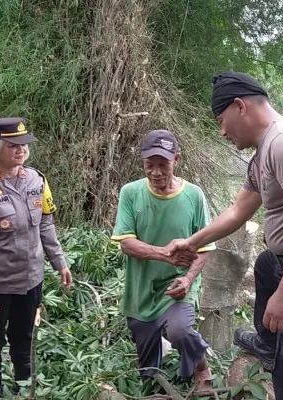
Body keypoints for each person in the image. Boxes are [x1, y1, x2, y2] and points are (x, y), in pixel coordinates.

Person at [167, 72, 283, 400]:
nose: (222, 131)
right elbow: (238, 211)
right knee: (266, 265)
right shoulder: (262, 156)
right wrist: (193, 241)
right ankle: (269, 343)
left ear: (240, 106)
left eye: (221, 120)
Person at [0, 117, 73, 397]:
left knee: (25, 337)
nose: (21, 150)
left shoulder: (36, 179)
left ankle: (25, 385)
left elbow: (45, 223)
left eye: (23, 144)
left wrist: (59, 261)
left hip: (31, 279)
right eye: (12, 145)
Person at [110, 129, 217, 394]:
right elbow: (126, 242)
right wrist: (166, 254)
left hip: (178, 285)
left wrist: (188, 278)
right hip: (141, 288)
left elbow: (204, 248)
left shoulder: (194, 195)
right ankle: (156, 388)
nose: (156, 172)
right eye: (150, 165)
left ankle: (201, 367)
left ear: (176, 160)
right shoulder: (131, 193)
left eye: (163, 165)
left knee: (180, 330)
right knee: (147, 368)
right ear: (143, 163)